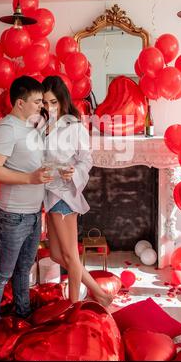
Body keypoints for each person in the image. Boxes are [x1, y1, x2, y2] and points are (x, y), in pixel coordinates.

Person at [0, 76, 53, 330]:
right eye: (36, 101)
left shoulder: (28, 126)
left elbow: (30, 163)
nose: (40, 105)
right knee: (2, 275)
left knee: (24, 270)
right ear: (20, 103)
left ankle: (22, 317)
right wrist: (31, 178)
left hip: (33, 214)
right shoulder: (6, 129)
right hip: (12, 216)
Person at [42, 75, 113, 306]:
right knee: (55, 254)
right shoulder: (41, 125)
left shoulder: (75, 127)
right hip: (48, 195)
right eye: (45, 102)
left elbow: (87, 160)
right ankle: (100, 293)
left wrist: (74, 171)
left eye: (53, 102)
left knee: (71, 255)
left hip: (64, 193)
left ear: (63, 100)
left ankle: (74, 307)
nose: (49, 107)